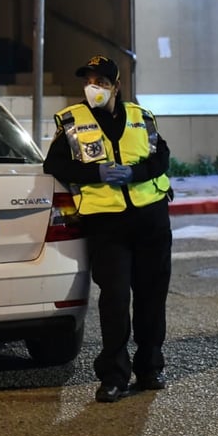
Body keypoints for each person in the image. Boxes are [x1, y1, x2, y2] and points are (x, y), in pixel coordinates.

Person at [42, 55, 174, 403]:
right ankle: (114, 375)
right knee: (115, 299)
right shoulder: (72, 121)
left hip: (150, 218)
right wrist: (96, 174)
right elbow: (53, 164)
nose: (93, 88)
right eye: (89, 81)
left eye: (101, 82)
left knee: (151, 297)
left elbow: (161, 158)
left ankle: (150, 367)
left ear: (116, 86)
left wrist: (136, 173)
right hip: (106, 224)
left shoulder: (141, 118)